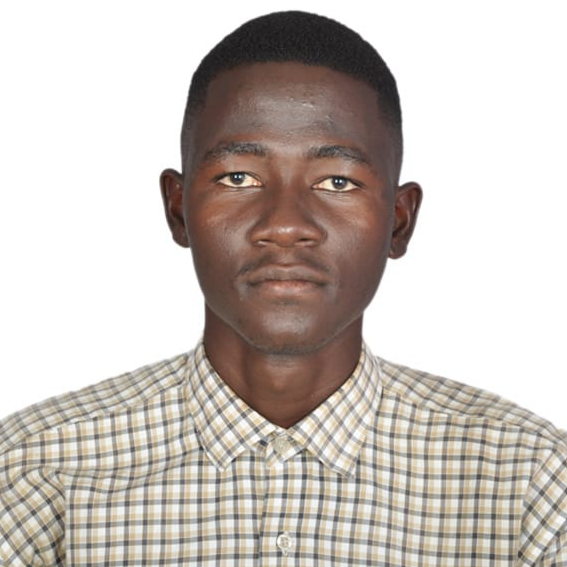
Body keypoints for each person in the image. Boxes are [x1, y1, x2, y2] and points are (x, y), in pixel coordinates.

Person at [1, 10, 566, 566]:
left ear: (399, 221)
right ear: (178, 210)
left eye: (337, 181)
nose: (286, 224)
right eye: (239, 177)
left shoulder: (530, 486)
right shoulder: (35, 472)